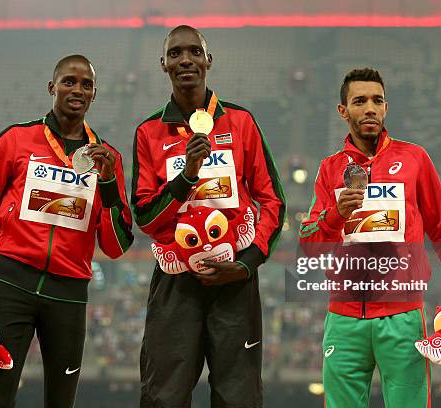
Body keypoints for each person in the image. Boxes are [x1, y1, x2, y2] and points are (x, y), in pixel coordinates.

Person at [0, 55, 134, 407]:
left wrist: (110, 182)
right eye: (69, 81)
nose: (77, 89)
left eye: (87, 85)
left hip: (69, 295)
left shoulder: (107, 158)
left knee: (61, 402)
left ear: (94, 95)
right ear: (51, 87)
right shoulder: (15, 140)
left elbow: (116, 247)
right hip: (14, 286)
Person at [299, 67, 441, 407]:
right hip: (344, 318)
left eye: (377, 100)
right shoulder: (329, 169)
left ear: (386, 108)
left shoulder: (415, 160)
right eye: (359, 101)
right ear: (343, 111)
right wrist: (337, 214)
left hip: (403, 318)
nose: (369, 108)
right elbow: (310, 247)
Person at [131, 25, 286, 407]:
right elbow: (146, 217)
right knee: (162, 396)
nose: (186, 59)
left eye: (194, 52)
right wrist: (186, 177)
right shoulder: (149, 132)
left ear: (208, 61)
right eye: (176, 53)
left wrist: (247, 264)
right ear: (163, 64)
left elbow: (273, 201)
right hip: (175, 283)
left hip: (233, 280)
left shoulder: (241, 122)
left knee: (239, 397)